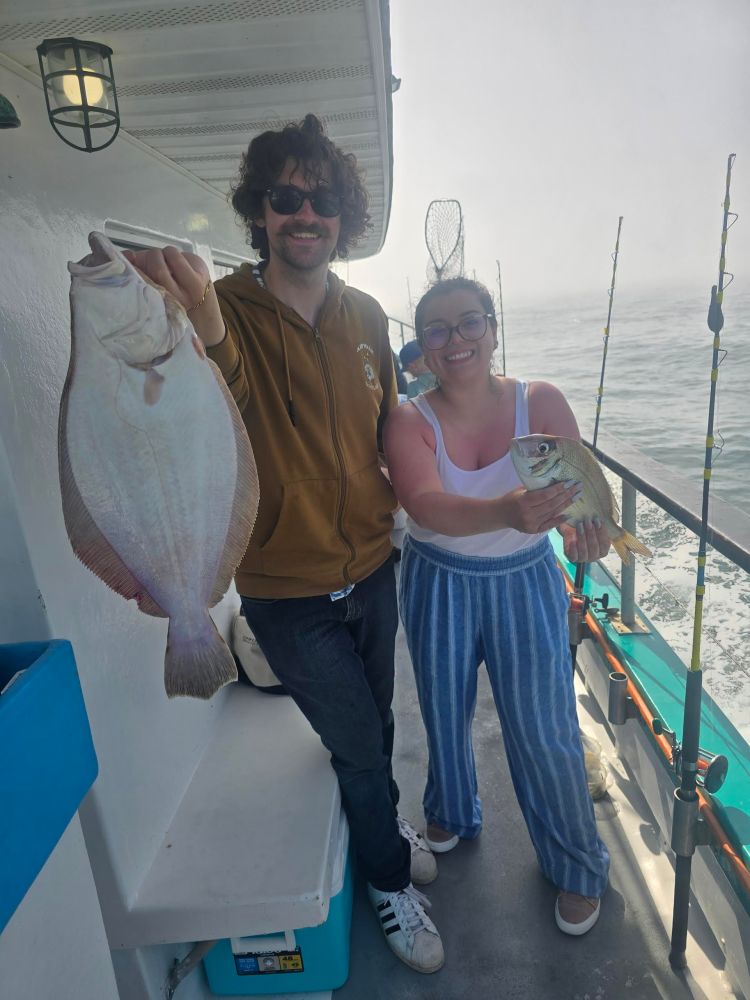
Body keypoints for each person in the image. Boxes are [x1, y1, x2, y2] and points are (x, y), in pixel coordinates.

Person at [124, 114, 443, 974]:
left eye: (324, 200)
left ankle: (384, 821)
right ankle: (387, 879)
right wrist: (201, 315)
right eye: (287, 198)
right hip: (284, 589)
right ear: (259, 210)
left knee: (376, 720)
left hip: (373, 566)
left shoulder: (367, 315)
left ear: (345, 217)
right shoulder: (219, 309)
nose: (307, 215)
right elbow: (215, 396)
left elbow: (396, 432)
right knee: (357, 743)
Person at [383, 276, 611, 937]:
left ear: (492, 326)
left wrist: (585, 533)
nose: (455, 340)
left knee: (545, 728)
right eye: (437, 329)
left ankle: (576, 865)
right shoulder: (409, 419)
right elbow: (424, 504)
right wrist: (507, 511)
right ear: (422, 346)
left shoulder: (539, 401)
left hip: (524, 580)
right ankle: (452, 808)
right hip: (438, 579)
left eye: (470, 322)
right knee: (442, 709)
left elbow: (576, 494)